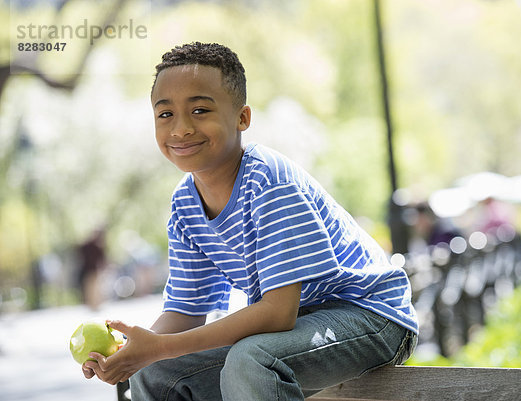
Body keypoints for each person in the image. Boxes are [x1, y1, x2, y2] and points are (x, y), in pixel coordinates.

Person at [82, 42, 418, 400]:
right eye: (165, 114)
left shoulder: (268, 182)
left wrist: (160, 347)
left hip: (371, 317)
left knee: (252, 360)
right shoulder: (184, 203)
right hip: (299, 326)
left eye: (199, 110)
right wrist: (135, 349)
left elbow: (276, 314)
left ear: (242, 118)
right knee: (156, 371)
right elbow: (184, 312)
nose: (180, 129)